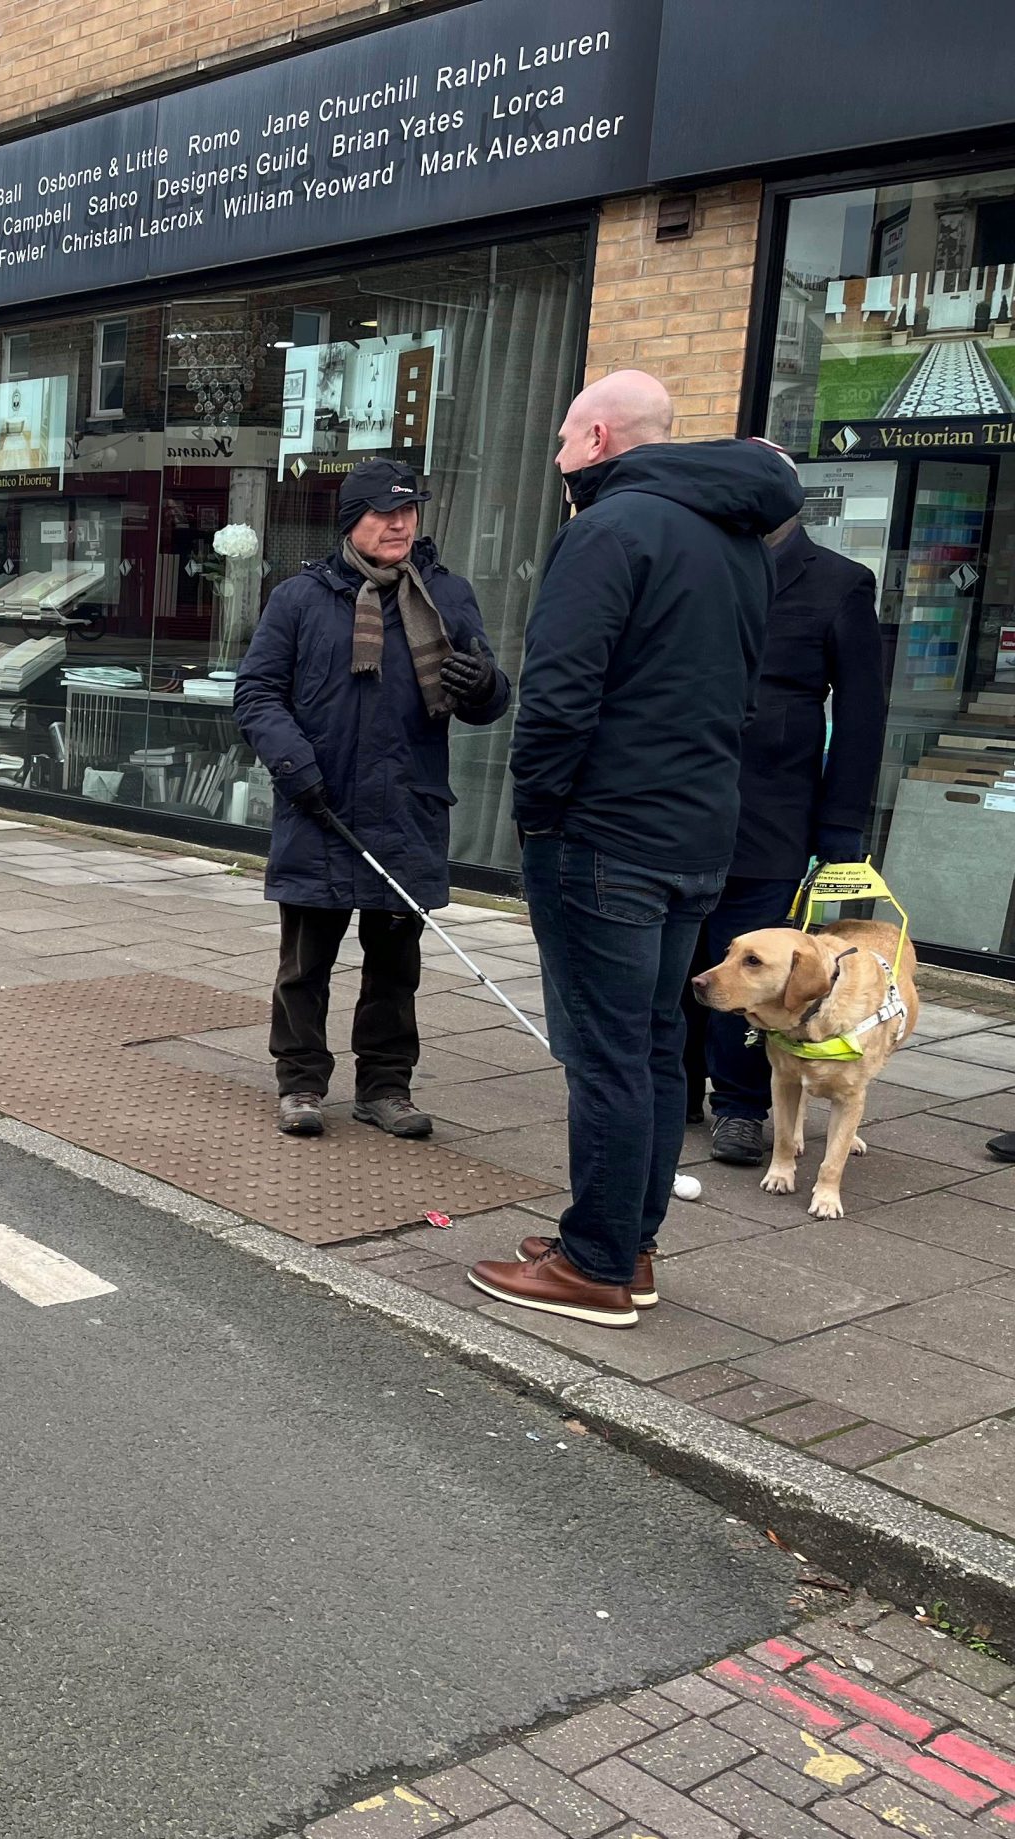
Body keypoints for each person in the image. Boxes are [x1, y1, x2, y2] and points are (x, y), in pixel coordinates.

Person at [470, 372, 801, 1329]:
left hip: (604, 835)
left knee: (606, 1054)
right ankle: (627, 1239)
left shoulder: (606, 531)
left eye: (566, 444)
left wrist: (536, 813)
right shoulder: (739, 541)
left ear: (598, 438)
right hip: (698, 831)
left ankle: (597, 1265)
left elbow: (560, 697)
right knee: (658, 1048)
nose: (561, 463)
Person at [235, 457, 509, 1141]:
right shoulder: (300, 599)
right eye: (384, 512)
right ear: (350, 522)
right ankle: (300, 1081)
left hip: (406, 806)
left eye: (409, 510)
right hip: (319, 802)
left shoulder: (448, 594)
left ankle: (384, 1087)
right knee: (306, 962)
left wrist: (485, 686)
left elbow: (488, 701)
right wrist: (295, 766)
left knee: (395, 966)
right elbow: (257, 693)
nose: (399, 523)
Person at [695, 443, 888, 1167]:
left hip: (774, 813)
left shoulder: (839, 583)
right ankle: (676, 1088)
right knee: (684, 957)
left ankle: (741, 1107)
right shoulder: (701, 565)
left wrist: (841, 827)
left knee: (755, 969)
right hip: (683, 797)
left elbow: (863, 716)